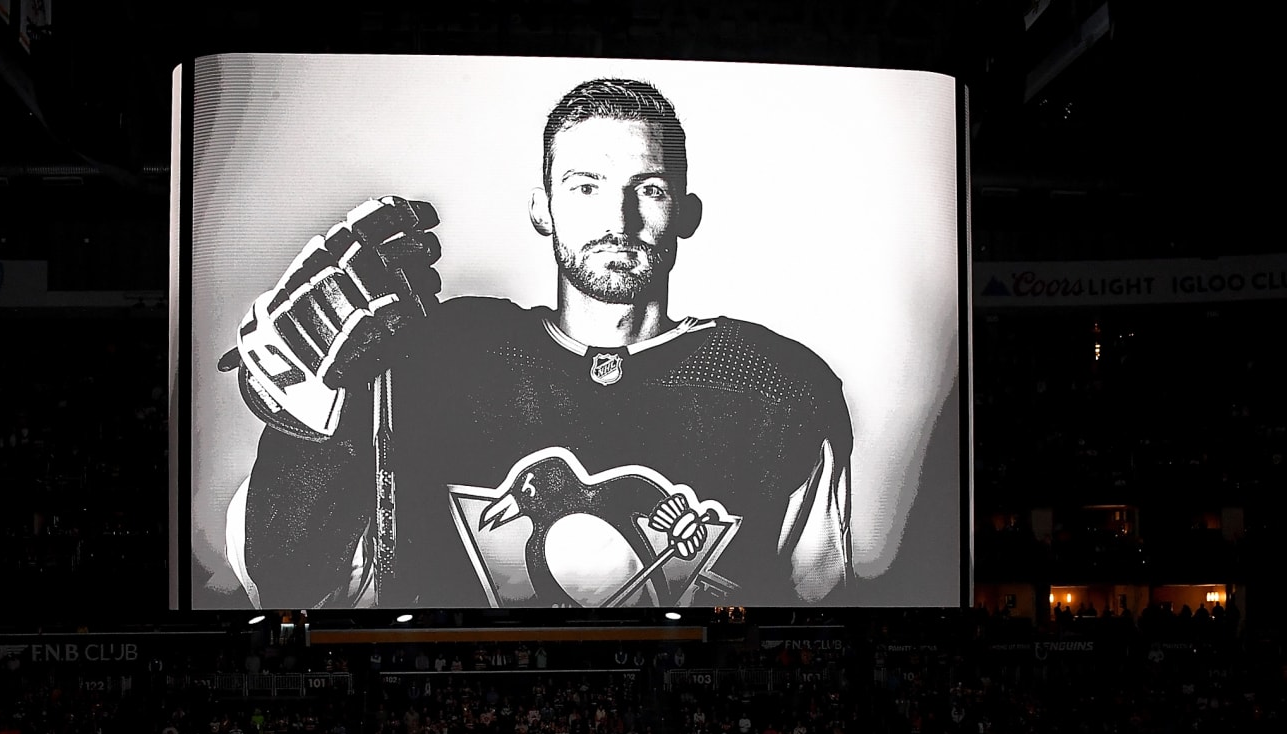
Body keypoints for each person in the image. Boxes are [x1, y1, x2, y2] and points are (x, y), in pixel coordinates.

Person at [223, 78, 855, 610]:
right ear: (542, 209)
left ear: (686, 213)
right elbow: (285, 586)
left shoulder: (779, 388)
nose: (619, 220)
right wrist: (304, 425)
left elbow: (820, 610)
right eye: (586, 187)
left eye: (650, 189)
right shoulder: (433, 356)